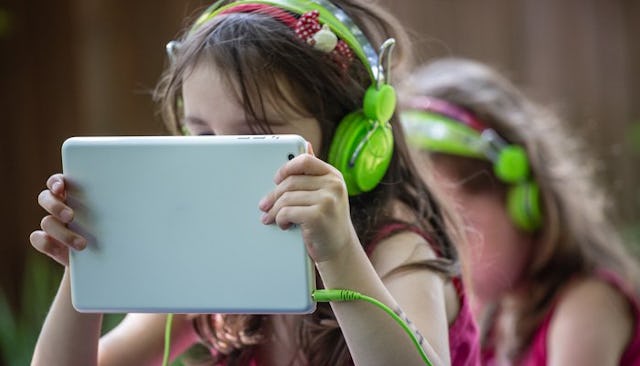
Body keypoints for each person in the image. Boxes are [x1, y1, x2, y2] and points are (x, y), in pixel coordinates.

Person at [29, 2, 481, 365]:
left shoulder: (398, 248)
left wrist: (339, 253)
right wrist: (83, 271)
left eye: (257, 136)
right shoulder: (213, 255)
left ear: (349, 143)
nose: (220, 157)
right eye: (202, 134)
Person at [400, 57, 640, 365]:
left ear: (524, 202)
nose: (443, 245)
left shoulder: (588, 304)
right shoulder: (489, 314)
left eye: (464, 224)